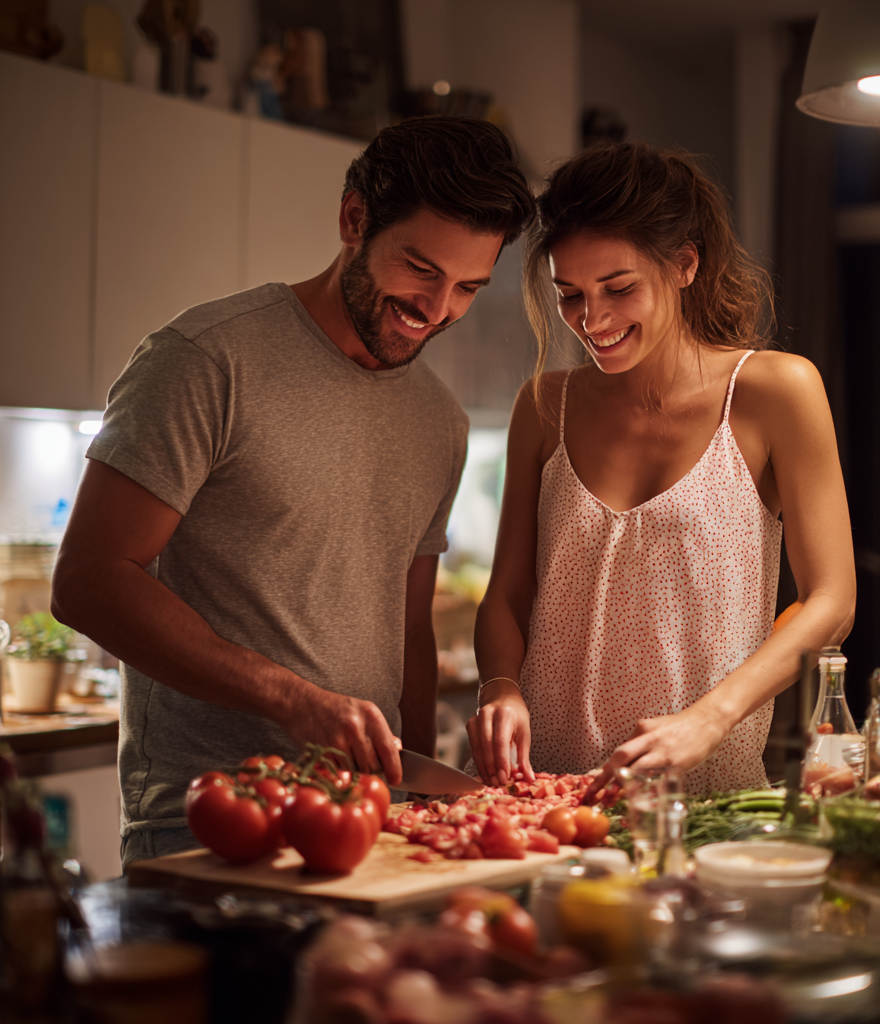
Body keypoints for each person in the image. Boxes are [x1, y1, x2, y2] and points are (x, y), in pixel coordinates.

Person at [50, 116, 535, 866]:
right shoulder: (207, 360)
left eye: (468, 287)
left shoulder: (440, 420)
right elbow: (86, 582)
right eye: (421, 269)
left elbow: (408, 626)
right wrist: (291, 698)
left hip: (367, 815)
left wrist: (412, 795)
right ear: (353, 219)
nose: (438, 311)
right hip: (208, 818)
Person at [467, 142, 856, 797]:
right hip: (553, 804)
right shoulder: (544, 405)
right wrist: (500, 685)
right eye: (570, 295)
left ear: (684, 264)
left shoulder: (774, 390)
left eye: (619, 288)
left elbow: (831, 600)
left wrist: (711, 718)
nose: (593, 320)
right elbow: (507, 595)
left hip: (709, 799)